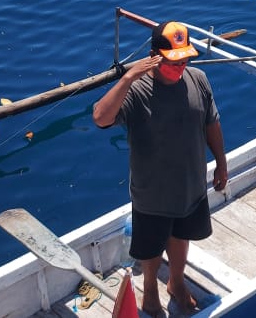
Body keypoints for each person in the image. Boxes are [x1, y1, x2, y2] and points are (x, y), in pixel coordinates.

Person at [93, 21, 227, 315]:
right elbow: (101, 117)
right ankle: (151, 287)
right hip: (152, 195)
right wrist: (128, 78)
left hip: (191, 187)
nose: (180, 67)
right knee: (150, 248)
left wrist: (221, 162)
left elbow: (211, 123)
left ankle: (176, 283)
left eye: (185, 59)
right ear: (155, 56)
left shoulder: (199, 79)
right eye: (172, 61)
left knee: (182, 238)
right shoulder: (137, 91)